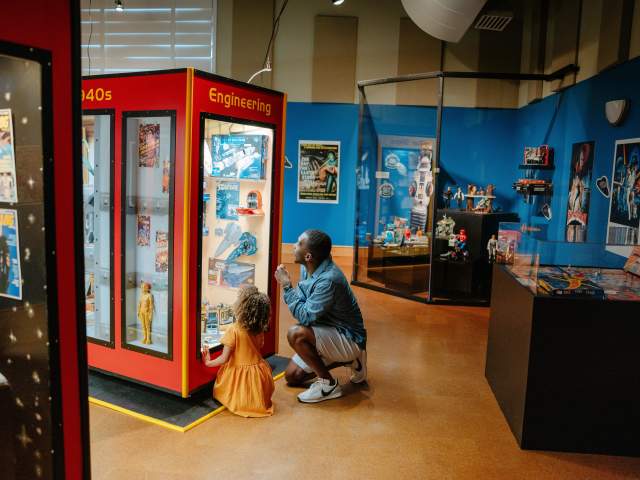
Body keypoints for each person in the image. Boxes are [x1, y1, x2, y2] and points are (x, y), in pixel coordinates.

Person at [274, 229, 367, 403]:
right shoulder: (308, 268)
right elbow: (303, 305)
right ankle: (352, 360)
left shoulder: (328, 280)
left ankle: (328, 384)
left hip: (347, 336)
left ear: (308, 256)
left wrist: (286, 286)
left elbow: (305, 317)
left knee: (296, 334)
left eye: (299, 244)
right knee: (292, 376)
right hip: (326, 330)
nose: (294, 246)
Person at [201, 286, 275, 417]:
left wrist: (208, 362)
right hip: (259, 374)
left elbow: (224, 359)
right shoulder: (259, 329)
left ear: (241, 307)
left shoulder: (233, 330)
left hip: (239, 377)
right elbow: (260, 345)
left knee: (223, 391)